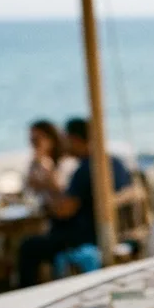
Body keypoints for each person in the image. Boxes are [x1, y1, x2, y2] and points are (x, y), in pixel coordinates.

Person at [17, 117, 130, 287]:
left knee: (28, 247)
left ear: (75, 140)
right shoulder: (115, 162)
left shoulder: (86, 169)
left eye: (67, 140)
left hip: (87, 238)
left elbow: (64, 211)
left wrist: (49, 189)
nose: (65, 145)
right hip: (118, 232)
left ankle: (30, 294)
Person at [24, 120, 71, 213]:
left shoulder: (67, 162)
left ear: (51, 139)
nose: (34, 145)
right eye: (32, 141)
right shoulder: (38, 162)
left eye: (37, 140)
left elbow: (59, 188)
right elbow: (28, 189)